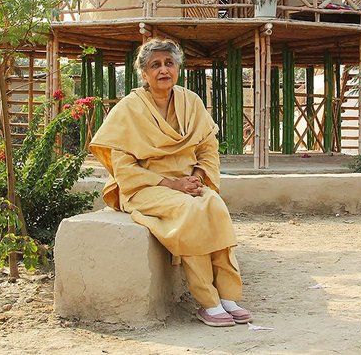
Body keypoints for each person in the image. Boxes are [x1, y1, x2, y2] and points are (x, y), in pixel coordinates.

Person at [89, 38, 252, 328]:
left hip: (189, 184)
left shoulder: (191, 102)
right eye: (155, 65)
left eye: (169, 63)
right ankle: (208, 301)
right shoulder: (129, 109)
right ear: (144, 73)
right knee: (190, 212)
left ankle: (229, 296)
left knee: (214, 205)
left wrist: (198, 178)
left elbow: (207, 149)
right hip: (144, 188)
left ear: (178, 68)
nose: (163, 70)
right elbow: (124, 168)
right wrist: (171, 184)